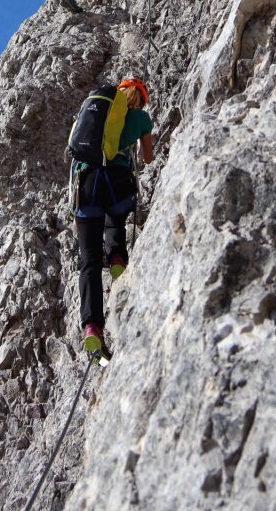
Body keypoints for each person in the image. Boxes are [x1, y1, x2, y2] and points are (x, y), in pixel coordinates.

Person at [75, 78, 154, 356]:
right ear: (141, 99)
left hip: (87, 182)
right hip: (117, 181)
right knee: (116, 217)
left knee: (88, 260)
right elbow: (147, 157)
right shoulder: (141, 117)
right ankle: (118, 256)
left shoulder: (96, 111)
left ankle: (92, 327)